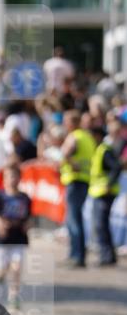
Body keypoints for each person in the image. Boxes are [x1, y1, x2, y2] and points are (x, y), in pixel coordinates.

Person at [0, 163, 32, 308]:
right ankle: (0, 276)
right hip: (2, 239)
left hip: (19, 238)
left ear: (19, 178)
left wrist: (27, 225)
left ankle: (14, 296)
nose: (11, 179)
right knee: (1, 269)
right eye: (8, 176)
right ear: (3, 179)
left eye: (14, 176)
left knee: (17, 267)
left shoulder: (25, 198)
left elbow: (29, 217)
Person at [59, 110, 95, 268]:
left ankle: (77, 256)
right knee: (77, 218)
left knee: (73, 220)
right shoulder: (88, 137)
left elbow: (65, 153)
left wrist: (69, 162)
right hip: (85, 180)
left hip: (74, 180)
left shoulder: (74, 136)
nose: (64, 124)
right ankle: (77, 254)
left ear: (72, 123)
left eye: (66, 121)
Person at [88, 116, 123, 267]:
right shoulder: (100, 150)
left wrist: (109, 183)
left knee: (101, 225)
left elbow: (116, 167)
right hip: (100, 192)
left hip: (105, 192)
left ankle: (106, 256)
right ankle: (108, 256)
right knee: (101, 225)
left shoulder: (103, 150)